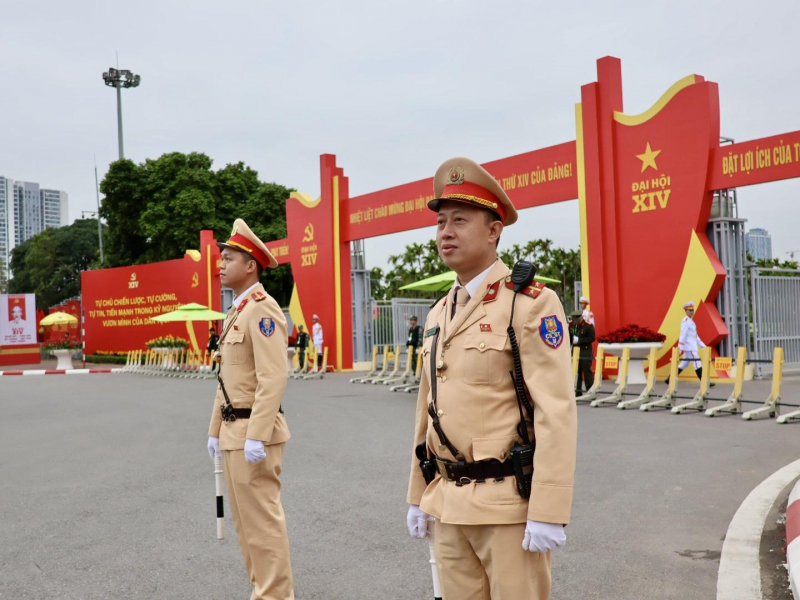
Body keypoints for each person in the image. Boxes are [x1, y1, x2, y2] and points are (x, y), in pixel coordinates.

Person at [406, 157, 577, 599]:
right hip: (447, 504)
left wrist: (549, 510)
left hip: (507, 510)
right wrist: (418, 492)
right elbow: (428, 409)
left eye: (459, 220)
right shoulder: (441, 310)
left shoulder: (530, 303)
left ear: (493, 230)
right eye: (441, 221)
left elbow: (555, 411)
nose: (445, 232)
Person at [206, 219, 294, 599]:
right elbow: (227, 379)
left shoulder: (262, 309)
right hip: (232, 433)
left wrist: (257, 434)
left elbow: (273, 377)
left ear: (251, 265)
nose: (220, 264)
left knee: (263, 525)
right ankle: (261, 590)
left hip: (252, 435)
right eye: (220, 258)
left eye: (229, 258)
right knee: (245, 527)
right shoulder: (235, 312)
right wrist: (213, 430)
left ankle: (275, 594)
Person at [666, 301, 714, 386]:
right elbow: (683, 335)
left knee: (684, 364)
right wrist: (680, 347)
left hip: (691, 346)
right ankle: (705, 382)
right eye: (690, 310)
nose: (692, 311)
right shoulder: (685, 321)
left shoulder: (691, 321)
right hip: (689, 347)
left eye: (692, 310)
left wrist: (703, 346)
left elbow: (695, 336)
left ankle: (669, 379)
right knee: (697, 363)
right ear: (686, 311)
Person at [570, 310, 596, 396]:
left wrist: (579, 341)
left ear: (581, 318)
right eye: (574, 320)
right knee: (576, 372)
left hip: (585, 352)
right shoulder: (571, 325)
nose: (575, 322)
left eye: (577, 320)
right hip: (575, 352)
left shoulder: (588, 326)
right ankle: (577, 391)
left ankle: (590, 391)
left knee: (587, 372)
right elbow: (569, 336)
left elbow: (592, 338)